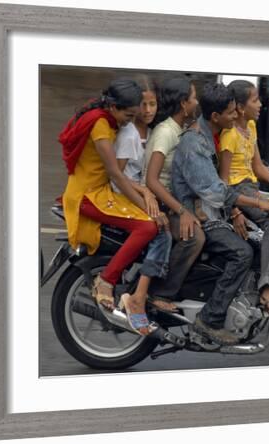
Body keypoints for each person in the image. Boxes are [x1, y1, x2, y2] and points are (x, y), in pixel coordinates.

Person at [171, 82, 269, 346]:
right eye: (231, 113)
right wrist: (259, 205)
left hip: (212, 210)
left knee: (256, 242)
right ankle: (209, 320)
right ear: (216, 117)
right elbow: (217, 191)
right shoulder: (196, 144)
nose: (236, 117)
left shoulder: (213, 133)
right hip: (199, 214)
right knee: (241, 253)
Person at [58, 79, 166, 335]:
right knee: (147, 227)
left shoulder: (105, 117)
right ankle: (106, 280)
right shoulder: (101, 127)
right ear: (114, 107)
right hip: (88, 195)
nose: (130, 121)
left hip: (97, 189)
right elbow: (116, 175)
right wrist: (148, 208)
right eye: (128, 116)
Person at [219, 79, 269, 316]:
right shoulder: (229, 135)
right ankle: (266, 287)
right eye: (255, 100)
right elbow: (222, 181)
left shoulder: (250, 128)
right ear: (241, 108)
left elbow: (258, 168)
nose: (261, 104)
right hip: (237, 192)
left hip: (250, 186)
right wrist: (234, 210)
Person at [111, 77, 174, 312]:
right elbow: (117, 175)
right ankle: (142, 294)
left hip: (140, 191)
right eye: (143, 104)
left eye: (153, 104)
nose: (148, 110)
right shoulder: (129, 135)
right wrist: (145, 191)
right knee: (162, 233)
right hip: (124, 193)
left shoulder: (153, 132)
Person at [143, 76, 205, 300]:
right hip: (157, 203)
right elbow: (151, 180)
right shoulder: (165, 132)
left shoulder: (182, 129)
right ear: (183, 104)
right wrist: (182, 211)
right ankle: (161, 294)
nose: (196, 102)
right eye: (193, 98)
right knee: (194, 237)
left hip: (173, 201)